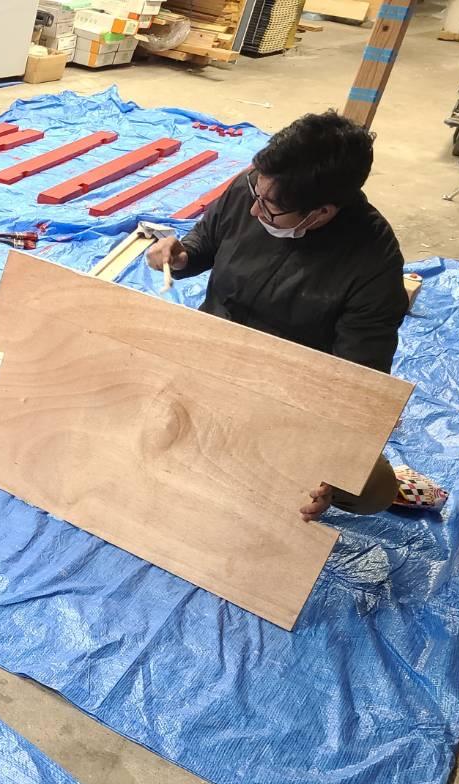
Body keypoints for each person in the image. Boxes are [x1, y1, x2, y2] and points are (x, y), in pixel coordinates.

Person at [146, 110, 406, 523]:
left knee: (373, 489)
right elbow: (204, 240)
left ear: (321, 213)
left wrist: (330, 469)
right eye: (256, 189)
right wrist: (180, 256)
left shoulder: (373, 261)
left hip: (290, 392)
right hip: (211, 351)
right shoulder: (257, 188)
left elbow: (359, 380)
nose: (254, 210)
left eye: (270, 207)